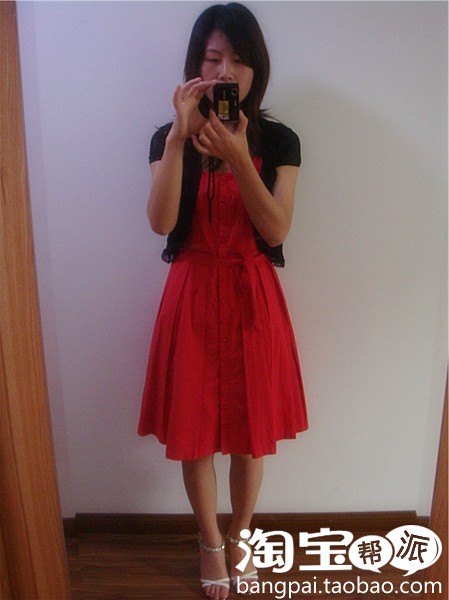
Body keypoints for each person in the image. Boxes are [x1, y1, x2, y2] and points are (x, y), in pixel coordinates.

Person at [138, 3, 308, 598]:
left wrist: (238, 157)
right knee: (195, 432)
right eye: (213, 58)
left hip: (251, 293)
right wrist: (179, 137)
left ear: (258, 69)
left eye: (239, 60)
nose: (226, 72)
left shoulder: (279, 141)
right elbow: (161, 223)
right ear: (195, 66)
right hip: (191, 292)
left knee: (248, 433)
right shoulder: (168, 137)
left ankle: (242, 536)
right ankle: (210, 541)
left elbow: (276, 228)